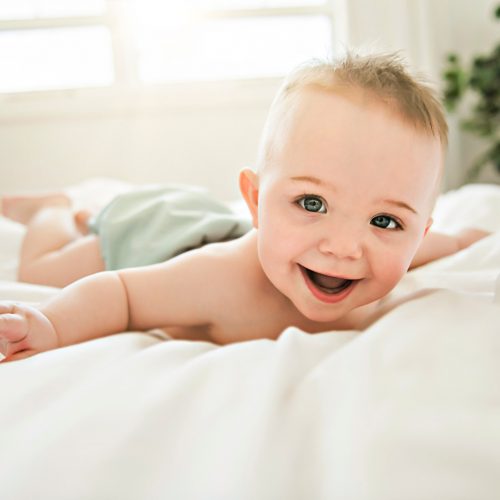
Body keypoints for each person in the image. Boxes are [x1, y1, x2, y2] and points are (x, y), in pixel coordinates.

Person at [0, 52, 490, 362]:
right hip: (154, 233)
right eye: (312, 202)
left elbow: (457, 241)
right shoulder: (217, 279)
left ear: (417, 237)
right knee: (45, 266)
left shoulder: (401, 261)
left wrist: (477, 240)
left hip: (216, 222)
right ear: (257, 200)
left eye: (385, 221)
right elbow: (121, 294)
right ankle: (58, 209)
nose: (343, 247)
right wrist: (51, 324)